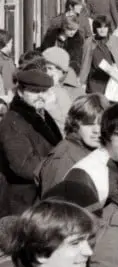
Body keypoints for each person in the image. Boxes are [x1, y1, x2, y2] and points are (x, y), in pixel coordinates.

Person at [0, 64, 64, 216]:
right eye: (35, 91)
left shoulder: (40, 114)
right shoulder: (12, 122)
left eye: (44, 91)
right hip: (22, 201)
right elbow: (24, 166)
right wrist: (57, 170)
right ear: (21, 92)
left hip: (40, 195)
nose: (41, 95)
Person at [38, 93, 108, 200]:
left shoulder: (95, 150)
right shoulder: (63, 158)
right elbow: (52, 208)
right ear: (75, 124)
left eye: (101, 124)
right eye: (88, 124)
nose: (96, 130)